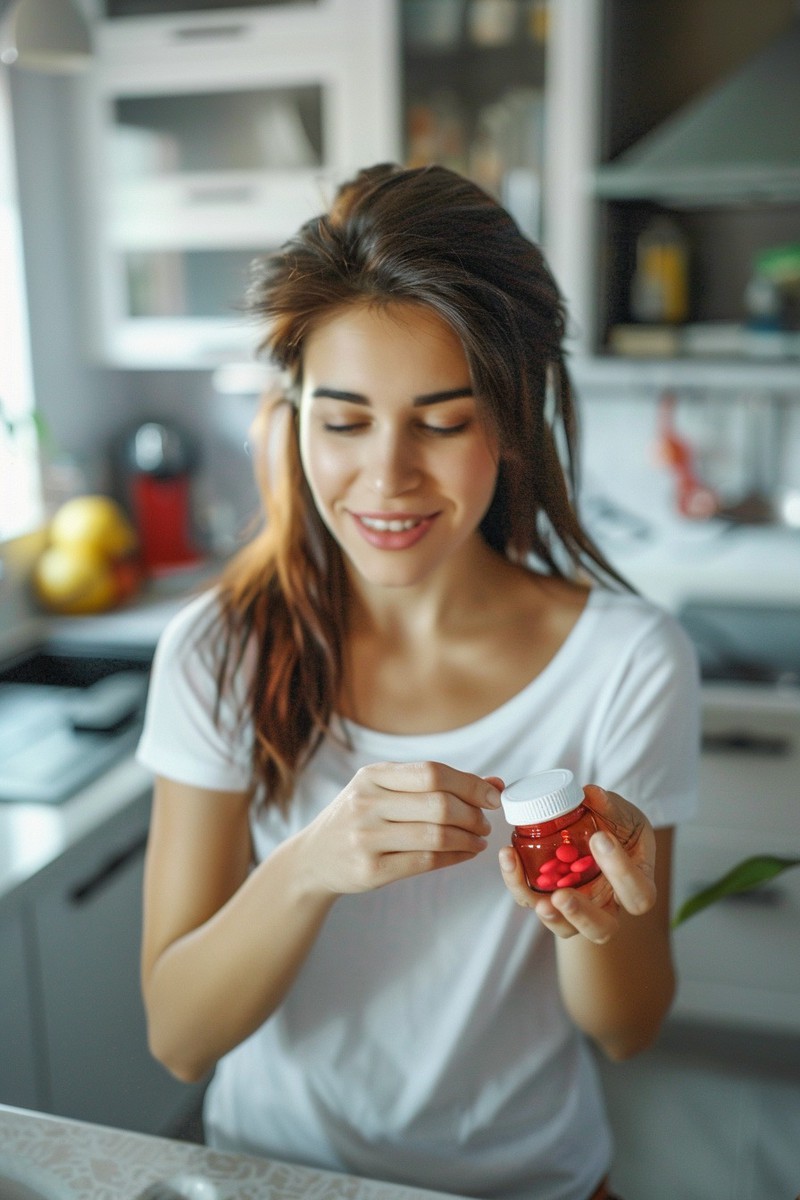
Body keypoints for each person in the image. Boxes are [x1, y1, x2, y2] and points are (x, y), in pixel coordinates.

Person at [136, 163, 700, 1200]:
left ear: (513, 419)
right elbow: (178, 1037)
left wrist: (594, 916)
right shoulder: (220, 652)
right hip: (274, 1177)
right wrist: (310, 864)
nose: (387, 476)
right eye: (342, 421)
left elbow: (624, 1030)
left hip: (529, 1182)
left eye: (441, 421)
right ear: (293, 413)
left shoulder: (626, 663)